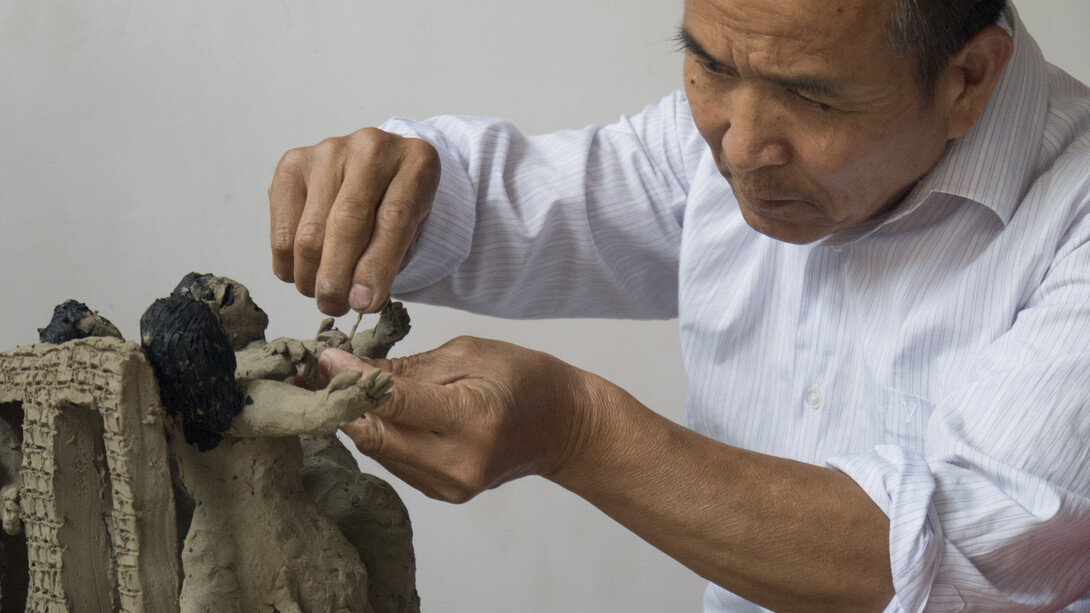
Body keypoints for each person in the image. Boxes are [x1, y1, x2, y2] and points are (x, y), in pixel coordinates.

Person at [267, 0, 1090, 610]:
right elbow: (520, 207)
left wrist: (576, 429)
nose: (736, 147)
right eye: (711, 67)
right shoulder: (723, 146)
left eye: (813, 101)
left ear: (969, 79)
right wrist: (388, 189)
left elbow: (958, 556)